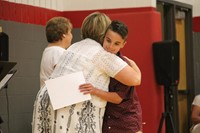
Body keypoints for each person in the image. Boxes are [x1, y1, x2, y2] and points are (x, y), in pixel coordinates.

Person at [32, 12, 141, 133]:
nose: (111, 46)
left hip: (46, 96)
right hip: (68, 100)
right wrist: (134, 66)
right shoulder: (102, 54)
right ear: (105, 32)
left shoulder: (74, 46)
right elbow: (135, 79)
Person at [79, 20, 142, 133]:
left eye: (116, 44)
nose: (110, 47)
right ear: (103, 37)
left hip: (126, 123)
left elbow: (118, 98)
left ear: (123, 44)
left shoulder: (123, 65)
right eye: (108, 40)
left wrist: (94, 91)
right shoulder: (100, 57)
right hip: (109, 120)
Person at [40, 16, 73, 87]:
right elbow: (66, 80)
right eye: (70, 32)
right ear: (64, 35)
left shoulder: (48, 50)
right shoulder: (59, 52)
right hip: (56, 96)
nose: (71, 36)